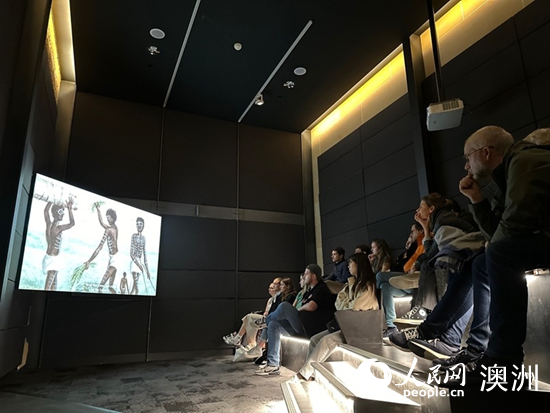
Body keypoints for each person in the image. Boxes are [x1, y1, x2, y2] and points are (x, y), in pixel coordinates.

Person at [454, 126, 550, 384]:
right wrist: (476, 198)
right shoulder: (505, 177)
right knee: (482, 263)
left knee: (497, 253)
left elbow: (515, 225)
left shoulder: (524, 161)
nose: (466, 166)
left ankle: (504, 361)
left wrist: (494, 247)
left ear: (485, 152)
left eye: (467, 157)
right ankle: (480, 348)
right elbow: (497, 231)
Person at [297, 253, 378, 380]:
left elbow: (356, 305)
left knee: (327, 340)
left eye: (351, 263)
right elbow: (338, 303)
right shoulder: (350, 285)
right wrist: (348, 303)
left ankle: (305, 373)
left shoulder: (367, 286)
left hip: (362, 328)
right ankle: (311, 374)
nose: (348, 266)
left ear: (359, 265)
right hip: (348, 325)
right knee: (314, 339)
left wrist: (347, 303)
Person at [254, 264, 335, 376]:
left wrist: (297, 310)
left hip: (310, 328)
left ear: (313, 276)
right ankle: (273, 364)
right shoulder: (308, 291)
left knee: (284, 306)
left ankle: (265, 321)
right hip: (302, 325)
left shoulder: (321, 288)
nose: (304, 276)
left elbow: (311, 306)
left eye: (306, 274)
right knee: (273, 325)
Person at [376, 222, 424, 337]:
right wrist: (407, 249)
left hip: (413, 280)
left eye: (413, 231)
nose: (411, 234)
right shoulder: (414, 246)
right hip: (405, 281)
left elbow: (407, 265)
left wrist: (410, 249)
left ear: (420, 231)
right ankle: (391, 326)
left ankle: (372, 301)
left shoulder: (422, 243)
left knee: (380, 276)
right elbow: (403, 263)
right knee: (385, 287)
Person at [223, 278, 282, 348]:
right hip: (267, 317)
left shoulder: (279, 297)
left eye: (273, 286)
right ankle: (250, 344)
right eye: (270, 287)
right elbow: (266, 311)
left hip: (271, 319)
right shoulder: (271, 299)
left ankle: (239, 338)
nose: (270, 289)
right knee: (249, 321)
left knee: (249, 317)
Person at [84, 205, 119, 293]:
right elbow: (101, 222)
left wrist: (89, 261)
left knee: (100, 287)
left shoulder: (109, 230)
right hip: (113, 258)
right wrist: (98, 209)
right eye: (107, 218)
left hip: (115, 260)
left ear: (113, 218)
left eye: (109, 218)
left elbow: (100, 247)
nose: (108, 220)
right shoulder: (114, 228)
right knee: (110, 287)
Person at [42, 197, 75, 290]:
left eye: (63, 211)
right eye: (61, 211)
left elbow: (46, 211)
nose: (63, 214)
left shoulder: (49, 224)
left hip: (49, 257)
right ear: (55, 214)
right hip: (53, 260)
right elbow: (72, 223)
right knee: (48, 288)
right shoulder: (58, 228)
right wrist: (70, 209)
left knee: (53, 287)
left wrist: (51, 199)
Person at [129, 217, 151, 295]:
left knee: (134, 288)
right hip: (134, 263)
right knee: (137, 288)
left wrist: (147, 271)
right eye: (137, 224)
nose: (139, 226)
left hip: (140, 262)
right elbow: (131, 254)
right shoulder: (133, 236)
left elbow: (145, 256)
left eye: (141, 224)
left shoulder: (144, 238)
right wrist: (139, 266)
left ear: (143, 225)